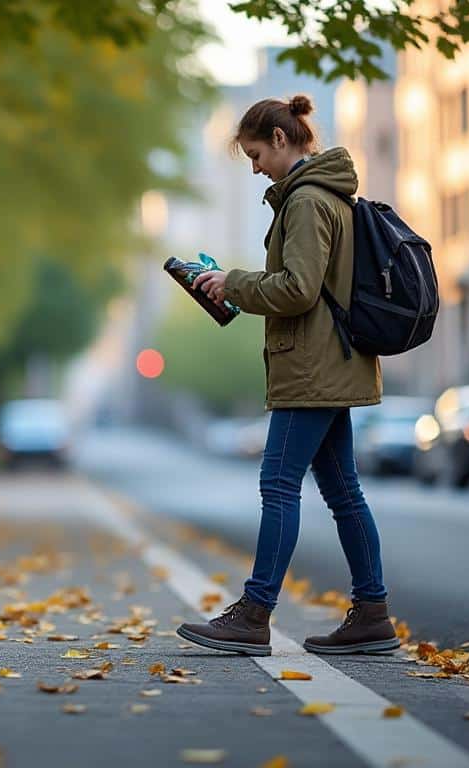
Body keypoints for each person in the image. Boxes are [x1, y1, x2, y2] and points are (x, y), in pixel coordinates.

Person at [176, 95, 400, 657]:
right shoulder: (331, 195)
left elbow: (298, 288)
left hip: (312, 368)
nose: (253, 168)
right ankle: (372, 613)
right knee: (344, 493)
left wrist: (233, 283)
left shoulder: (305, 201)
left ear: (281, 139)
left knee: (278, 484)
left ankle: (254, 615)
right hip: (334, 362)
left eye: (255, 154)